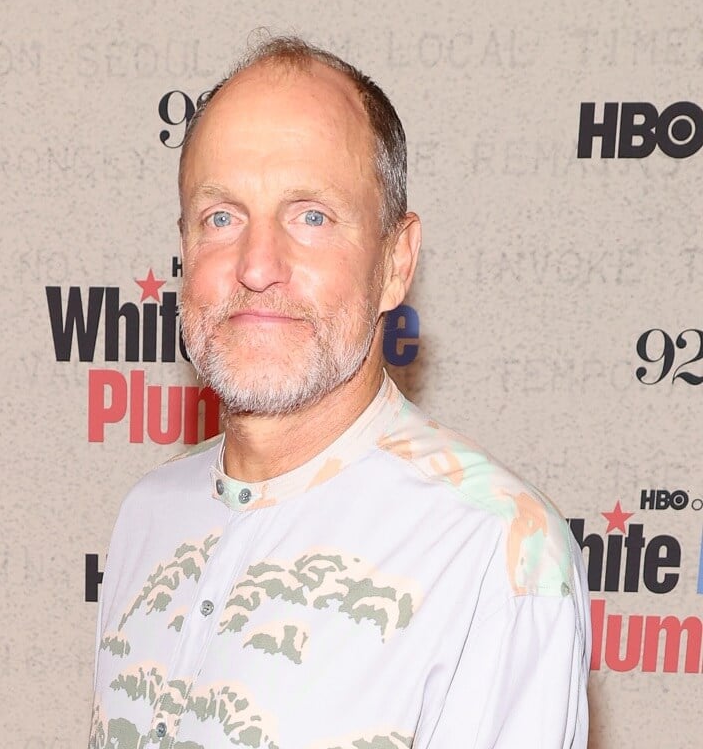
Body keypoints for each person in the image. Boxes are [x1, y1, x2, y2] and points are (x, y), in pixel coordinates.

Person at [89, 36, 589, 749]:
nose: (257, 265)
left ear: (396, 262)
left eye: (311, 217)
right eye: (221, 217)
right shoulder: (148, 514)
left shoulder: (492, 552)